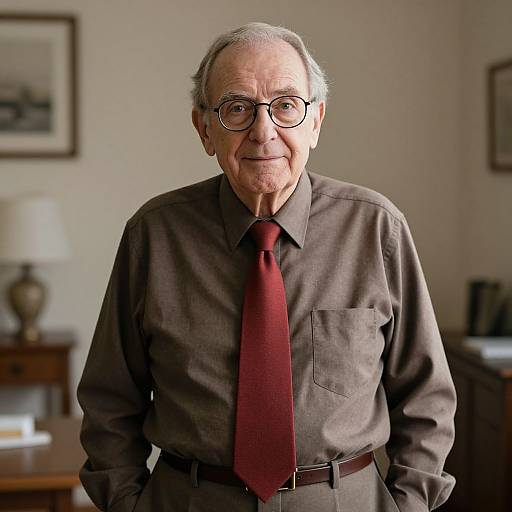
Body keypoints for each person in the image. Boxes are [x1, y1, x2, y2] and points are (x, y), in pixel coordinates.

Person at [77, 22, 456, 512]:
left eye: (285, 105)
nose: (263, 130)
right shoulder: (152, 236)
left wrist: (409, 505)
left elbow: (426, 396)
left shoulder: (376, 229)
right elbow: (110, 400)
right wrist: (127, 502)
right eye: (237, 108)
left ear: (315, 121)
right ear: (203, 128)